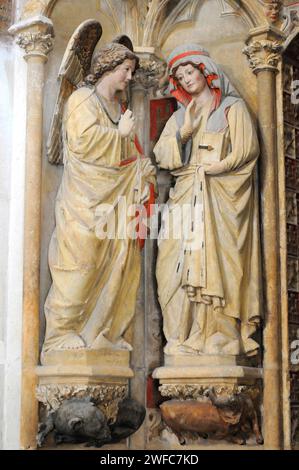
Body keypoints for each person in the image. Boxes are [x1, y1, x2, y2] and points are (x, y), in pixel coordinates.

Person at [42, 42, 156, 357]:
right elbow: (80, 144)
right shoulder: (82, 99)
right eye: (125, 70)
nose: (129, 78)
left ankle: (102, 331)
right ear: (108, 67)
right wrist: (118, 135)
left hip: (116, 202)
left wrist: (142, 170)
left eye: (132, 71)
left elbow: (129, 154)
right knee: (81, 264)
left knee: (118, 265)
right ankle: (59, 335)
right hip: (84, 200)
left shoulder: (119, 110)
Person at [153, 44, 261, 356]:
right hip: (184, 194)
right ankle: (180, 336)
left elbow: (246, 152)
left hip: (221, 197)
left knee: (220, 262)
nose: (186, 79)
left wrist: (219, 167)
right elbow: (162, 156)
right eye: (180, 76)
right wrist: (183, 133)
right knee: (170, 267)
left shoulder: (232, 108)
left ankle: (220, 334)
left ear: (205, 71)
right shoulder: (178, 118)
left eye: (190, 71)